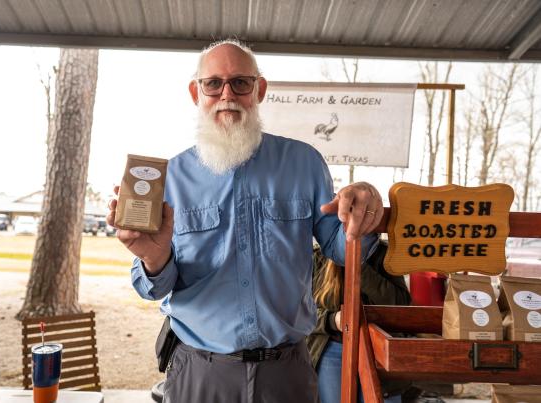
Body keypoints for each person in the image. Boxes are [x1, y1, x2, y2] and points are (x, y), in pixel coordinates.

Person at [107, 39, 384, 403]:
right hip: (200, 374)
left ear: (259, 89)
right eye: (213, 83)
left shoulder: (304, 163)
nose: (227, 94)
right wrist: (154, 260)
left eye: (241, 82)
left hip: (287, 373)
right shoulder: (170, 178)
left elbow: (346, 250)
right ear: (196, 92)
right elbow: (153, 288)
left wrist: (367, 209)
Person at [308, 242, 411, 403]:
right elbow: (301, 314)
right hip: (331, 349)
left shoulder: (386, 255)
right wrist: (332, 320)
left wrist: (359, 266)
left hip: (379, 350)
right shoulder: (318, 257)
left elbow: (401, 305)